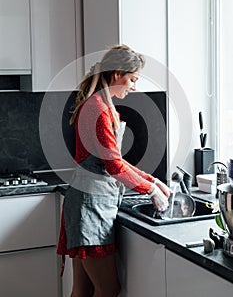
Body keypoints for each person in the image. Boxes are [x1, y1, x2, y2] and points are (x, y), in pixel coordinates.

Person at [57, 44, 171, 297]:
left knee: (83, 289)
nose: (134, 86)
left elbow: (114, 159)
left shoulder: (102, 105)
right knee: (108, 289)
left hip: (89, 203)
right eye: (132, 79)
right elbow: (114, 166)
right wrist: (150, 190)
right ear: (117, 73)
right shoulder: (98, 110)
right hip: (91, 206)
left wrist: (153, 181)